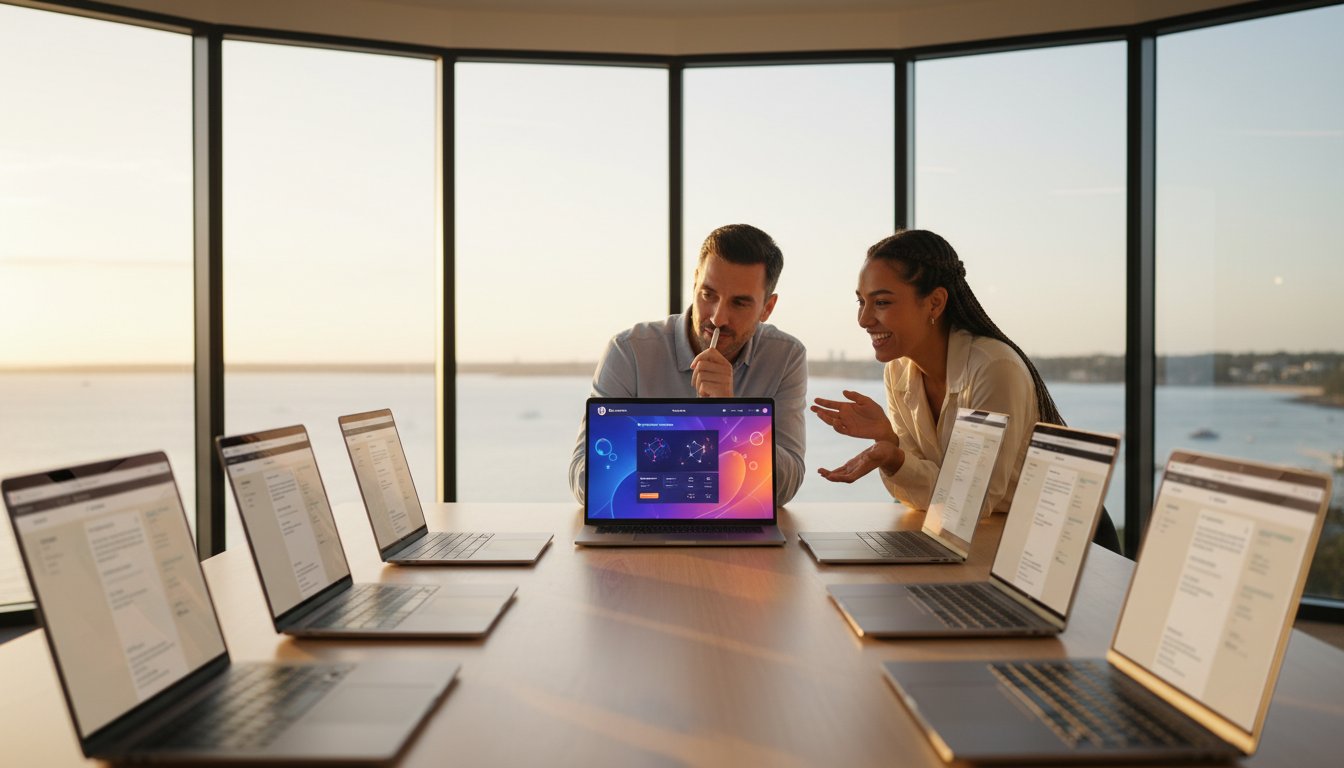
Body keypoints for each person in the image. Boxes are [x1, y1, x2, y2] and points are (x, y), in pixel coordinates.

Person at [810, 229, 1121, 553]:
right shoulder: (899, 371)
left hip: (1064, 547)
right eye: (861, 302)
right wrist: (889, 448)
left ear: (935, 302)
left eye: (882, 302)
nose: (864, 319)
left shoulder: (994, 368)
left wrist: (898, 459)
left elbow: (973, 501)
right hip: (987, 538)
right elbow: (922, 498)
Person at [568, 224, 807, 505]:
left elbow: (785, 489)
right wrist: (712, 454)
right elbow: (584, 480)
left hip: (730, 531)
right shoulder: (629, 351)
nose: (718, 318)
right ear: (695, 282)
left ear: (767, 307)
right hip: (643, 523)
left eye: (739, 303)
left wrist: (729, 411)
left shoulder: (785, 356)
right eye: (709, 294)